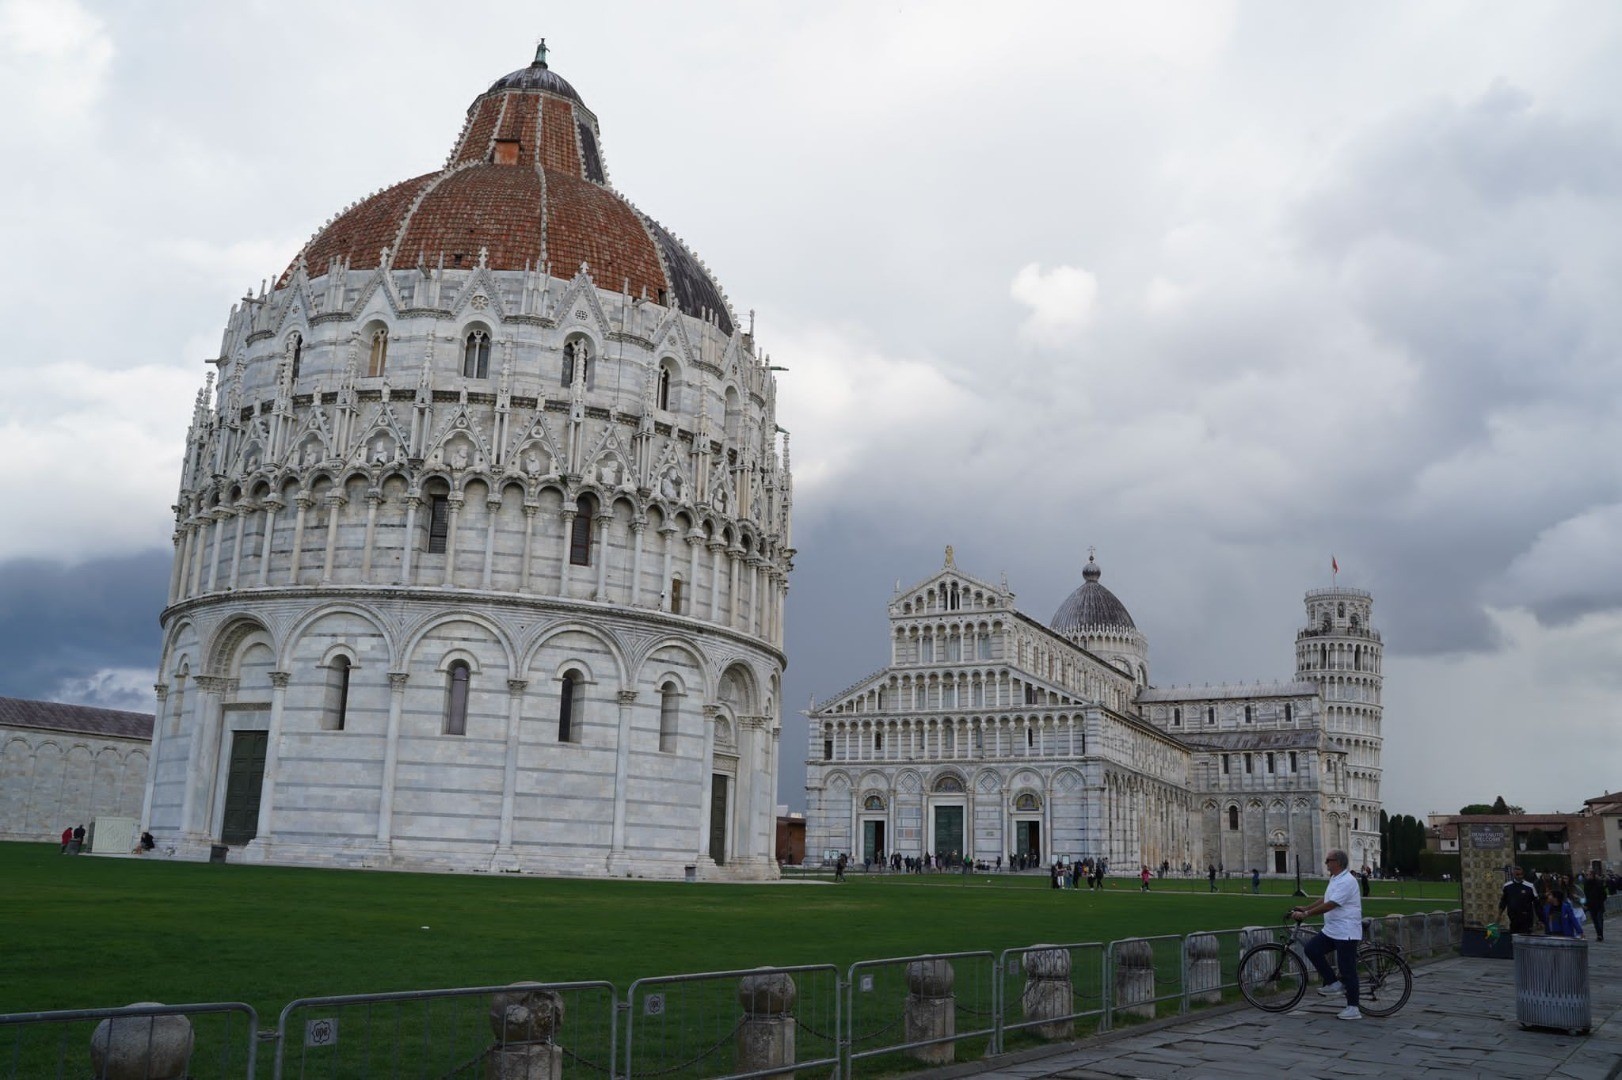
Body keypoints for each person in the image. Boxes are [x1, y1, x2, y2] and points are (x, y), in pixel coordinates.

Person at [1290, 849, 1362, 1020]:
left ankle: (1353, 1008)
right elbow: (1326, 898)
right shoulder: (1335, 878)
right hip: (1333, 930)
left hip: (1346, 931)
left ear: (1337, 862)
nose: (1326, 863)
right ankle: (1333, 983)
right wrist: (1306, 907)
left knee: (1347, 969)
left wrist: (1306, 915)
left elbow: (1332, 904)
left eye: (1328, 860)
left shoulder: (1347, 881)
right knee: (1312, 949)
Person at [1498, 866, 1539, 935]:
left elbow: (1537, 903)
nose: (1520, 876)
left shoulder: (1530, 886)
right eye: (1517, 874)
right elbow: (1503, 901)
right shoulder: (1507, 886)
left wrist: (1539, 919)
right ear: (1513, 874)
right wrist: (1499, 914)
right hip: (1513, 918)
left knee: (1526, 936)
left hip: (1526, 918)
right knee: (1513, 936)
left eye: (1521, 874)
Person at [1583, 871, 1607, 942]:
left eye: (1590, 875)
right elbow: (1586, 895)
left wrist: (1600, 900)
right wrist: (1586, 904)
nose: (1588, 876)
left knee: (1599, 920)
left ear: (1593, 875)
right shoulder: (1586, 884)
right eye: (1587, 875)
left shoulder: (1599, 883)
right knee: (1595, 921)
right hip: (1591, 906)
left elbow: (1604, 894)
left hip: (1599, 905)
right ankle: (1599, 934)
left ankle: (1600, 935)